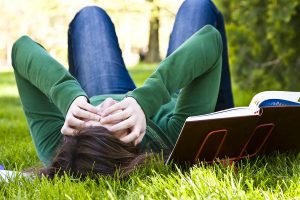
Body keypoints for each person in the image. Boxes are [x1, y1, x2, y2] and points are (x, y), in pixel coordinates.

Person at [11, 0, 233, 178]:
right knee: (198, 5)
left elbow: (21, 48)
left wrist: (68, 97)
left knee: (90, 14)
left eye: (89, 118)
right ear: (132, 142)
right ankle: (226, 113)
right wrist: (144, 101)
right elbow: (209, 41)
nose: (106, 105)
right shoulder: (170, 138)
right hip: (171, 96)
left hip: (103, 86)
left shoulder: (58, 143)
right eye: (110, 120)